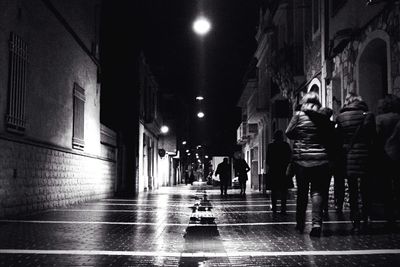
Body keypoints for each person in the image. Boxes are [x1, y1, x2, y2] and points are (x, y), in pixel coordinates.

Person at [286, 92, 332, 237]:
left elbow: (288, 132)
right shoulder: (323, 116)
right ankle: (316, 224)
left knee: (302, 192)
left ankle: (300, 223)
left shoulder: (299, 115)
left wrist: (300, 135)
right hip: (321, 159)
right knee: (317, 192)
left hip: (302, 160)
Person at [336, 92, 376, 234]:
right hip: (366, 156)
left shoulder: (340, 117)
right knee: (366, 189)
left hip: (349, 157)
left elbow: (338, 140)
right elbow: (373, 137)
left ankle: (355, 219)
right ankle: (366, 216)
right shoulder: (368, 115)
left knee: (352, 190)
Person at [375, 94, 400, 229]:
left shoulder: (379, 119)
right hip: (398, 154)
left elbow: (376, 137)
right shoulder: (398, 118)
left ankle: (390, 215)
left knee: (386, 187)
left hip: (384, 156)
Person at [266, 130, 292, 214]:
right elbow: (289, 157)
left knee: (274, 191)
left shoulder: (270, 146)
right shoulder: (286, 145)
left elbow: (268, 160)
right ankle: (283, 209)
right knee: (284, 191)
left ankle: (274, 208)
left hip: (273, 171)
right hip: (283, 171)